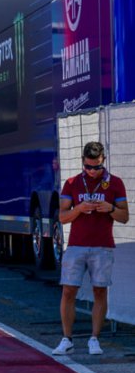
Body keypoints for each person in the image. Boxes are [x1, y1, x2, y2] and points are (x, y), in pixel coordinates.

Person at [53, 141, 129, 356]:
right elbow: (62, 217)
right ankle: (66, 338)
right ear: (82, 163)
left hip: (102, 246)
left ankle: (94, 338)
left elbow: (124, 217)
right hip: (76, 245)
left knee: (100, 290)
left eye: (96, 167)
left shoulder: (115, 183)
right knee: (68, 290)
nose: (92, 171)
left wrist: (110, 208)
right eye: (88, 167)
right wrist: (79, 208)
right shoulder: (72, 183)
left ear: (103, 161)